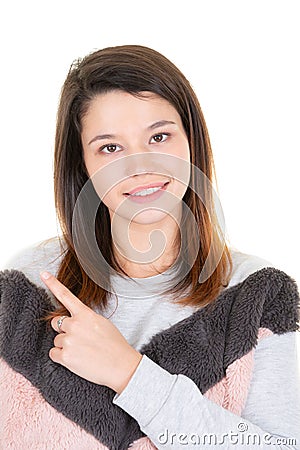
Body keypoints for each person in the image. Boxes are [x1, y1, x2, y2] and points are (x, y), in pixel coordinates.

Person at [0, 45, 299, 450]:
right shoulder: (28, 286)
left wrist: (130, 374)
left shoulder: (261, 294)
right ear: (81, 164)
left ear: (191, 141)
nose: (139, 166)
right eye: (110, 147)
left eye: (159, 136)